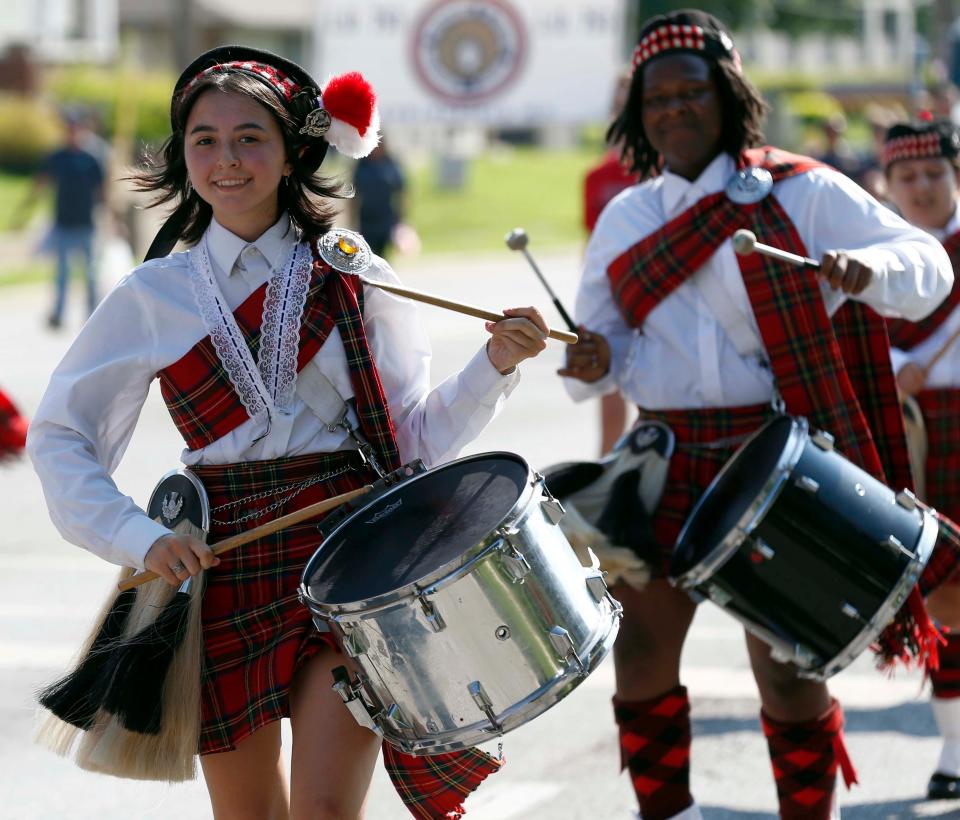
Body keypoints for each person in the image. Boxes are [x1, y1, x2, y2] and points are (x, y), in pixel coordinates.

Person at [26, 46, 550, 819]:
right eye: (204, 139)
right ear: (183, 155)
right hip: (219, 561)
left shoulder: (352, 270)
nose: (226, 160)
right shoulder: (152, 294)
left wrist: (494, 365)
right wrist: (139, 540)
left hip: (350, 557)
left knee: (326, 813)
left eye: (250, 138)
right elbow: (61, 434)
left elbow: (411, 442)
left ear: (294, 151)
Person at [558, 10, 954, 820]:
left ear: (728, 96)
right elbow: (600, 344)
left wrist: (867, 268)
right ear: (639, 114)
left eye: (691, 92)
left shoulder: (802, 189)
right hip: (667, 453)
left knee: (788, 668)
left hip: (781, 456)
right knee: (638, 652)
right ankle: (669, 815)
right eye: (657, 98)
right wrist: (592, 359)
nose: (673, 108)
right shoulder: (627, 218)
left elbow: (929, 266)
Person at [882, 119, 960, 801]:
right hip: (920, 438)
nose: (923, 188)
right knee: (940, 591)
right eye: (908, 178)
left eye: (935, 174)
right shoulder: (882, 256)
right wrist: (899, 364)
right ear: (889, 185)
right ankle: (955, 746)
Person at [583, 69, 639, 455]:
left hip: (656, 291)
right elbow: (592, 245)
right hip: (612, 294)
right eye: (618, 105)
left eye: (630, 103)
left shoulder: (664, 172)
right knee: (610, 390)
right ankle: (608, 467)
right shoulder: (596, 176)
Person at [15, 109, 105, 328]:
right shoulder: (57, 157)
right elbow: (40, 183)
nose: (72, 133)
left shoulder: (91, 158)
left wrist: (110, 217)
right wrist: (24, 212)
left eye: (76, 129)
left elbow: (103, 190)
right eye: (69, 129)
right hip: (63, 223)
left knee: (91, 273)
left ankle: (92, 316)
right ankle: (58, 314)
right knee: (62, 273)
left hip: (86, 223)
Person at [351, 137, 413, 257]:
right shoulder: (362, 166)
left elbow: (402, 192)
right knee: (366, 254)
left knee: (382, 255)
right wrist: (352, 219)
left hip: (386, 219)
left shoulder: (391, 165)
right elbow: (353, 194)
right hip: (366, 219)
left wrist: (402, 219)